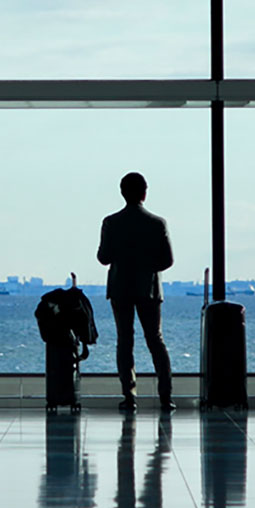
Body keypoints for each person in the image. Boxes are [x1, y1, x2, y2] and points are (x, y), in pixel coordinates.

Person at [96, 171, 174, 410]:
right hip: (148, 288)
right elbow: (167, 260)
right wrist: (147, 267)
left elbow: (103, 257)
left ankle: (129, 396)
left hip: (120, 288)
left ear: (122, 192)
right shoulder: (157, 223)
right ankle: (165, 396)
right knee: (155, 340)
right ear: (144, 193)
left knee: (124, 341)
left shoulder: (111, 222)